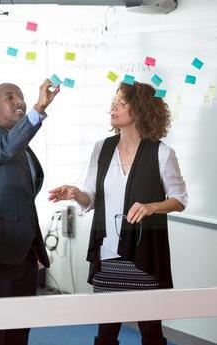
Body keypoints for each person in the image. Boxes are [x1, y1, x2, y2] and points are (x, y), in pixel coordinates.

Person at [48, 81, 187, 345]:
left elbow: (179, 200)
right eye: (114, 101)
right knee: (106, 334)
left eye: (121, 102)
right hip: (107, 252)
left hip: (144, 256)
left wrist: (152, 206)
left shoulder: (162, 153)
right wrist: (76, 194)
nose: (113, 106)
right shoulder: (102, 148)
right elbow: (90, 196)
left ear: (139, 110)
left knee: (151, 333)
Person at [0, 79, 60, 345]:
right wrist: (38, 109)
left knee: (19, 331)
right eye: (10, 97)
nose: (19, 101)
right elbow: (8, 147)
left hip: (23, 253)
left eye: (21, 96)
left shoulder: (21, 147)